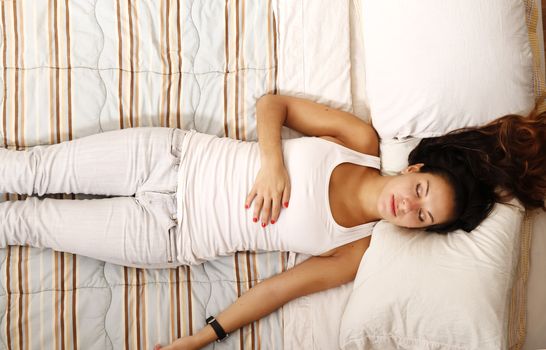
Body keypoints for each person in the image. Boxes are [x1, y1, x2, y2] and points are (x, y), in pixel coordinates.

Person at [0, 95, 544, 349]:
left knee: (27, 226)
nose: (409, 207)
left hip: (167, 235)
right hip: (172, 157)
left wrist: (201, 338)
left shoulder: (359, 250)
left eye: (424, 218)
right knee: (28, 168)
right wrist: (272, 164)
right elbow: (272, 105)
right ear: (416, 168)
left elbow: (280, 288)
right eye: (420, 191)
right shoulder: (361, 144)